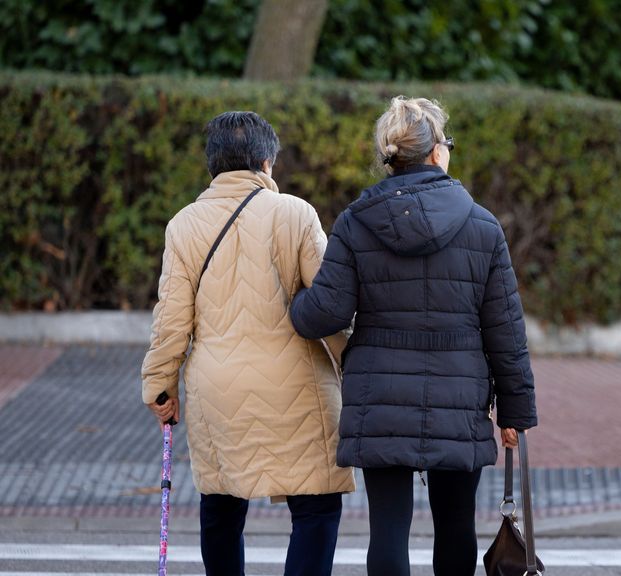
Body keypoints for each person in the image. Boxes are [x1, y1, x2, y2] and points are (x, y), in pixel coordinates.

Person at [289, 96, 538, 576]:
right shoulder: (482, 226)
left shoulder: (357, 222)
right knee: (456, 524)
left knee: (387, 529)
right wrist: (516, 412)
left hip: (379, 393)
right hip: (459, 393)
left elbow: (324, 313)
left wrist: (294, 303)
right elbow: (505, 331)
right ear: (437, 153)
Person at [141, 111, 354, 576]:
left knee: (221, 505)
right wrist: (354, 365)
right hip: (297, 385)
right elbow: (329, 305)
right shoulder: (296, 214)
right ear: (266, 161)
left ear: (212, 165)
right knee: (316, 507)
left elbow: (171, 318)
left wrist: (160, 386)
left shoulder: (184, 225)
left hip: (216, 390)